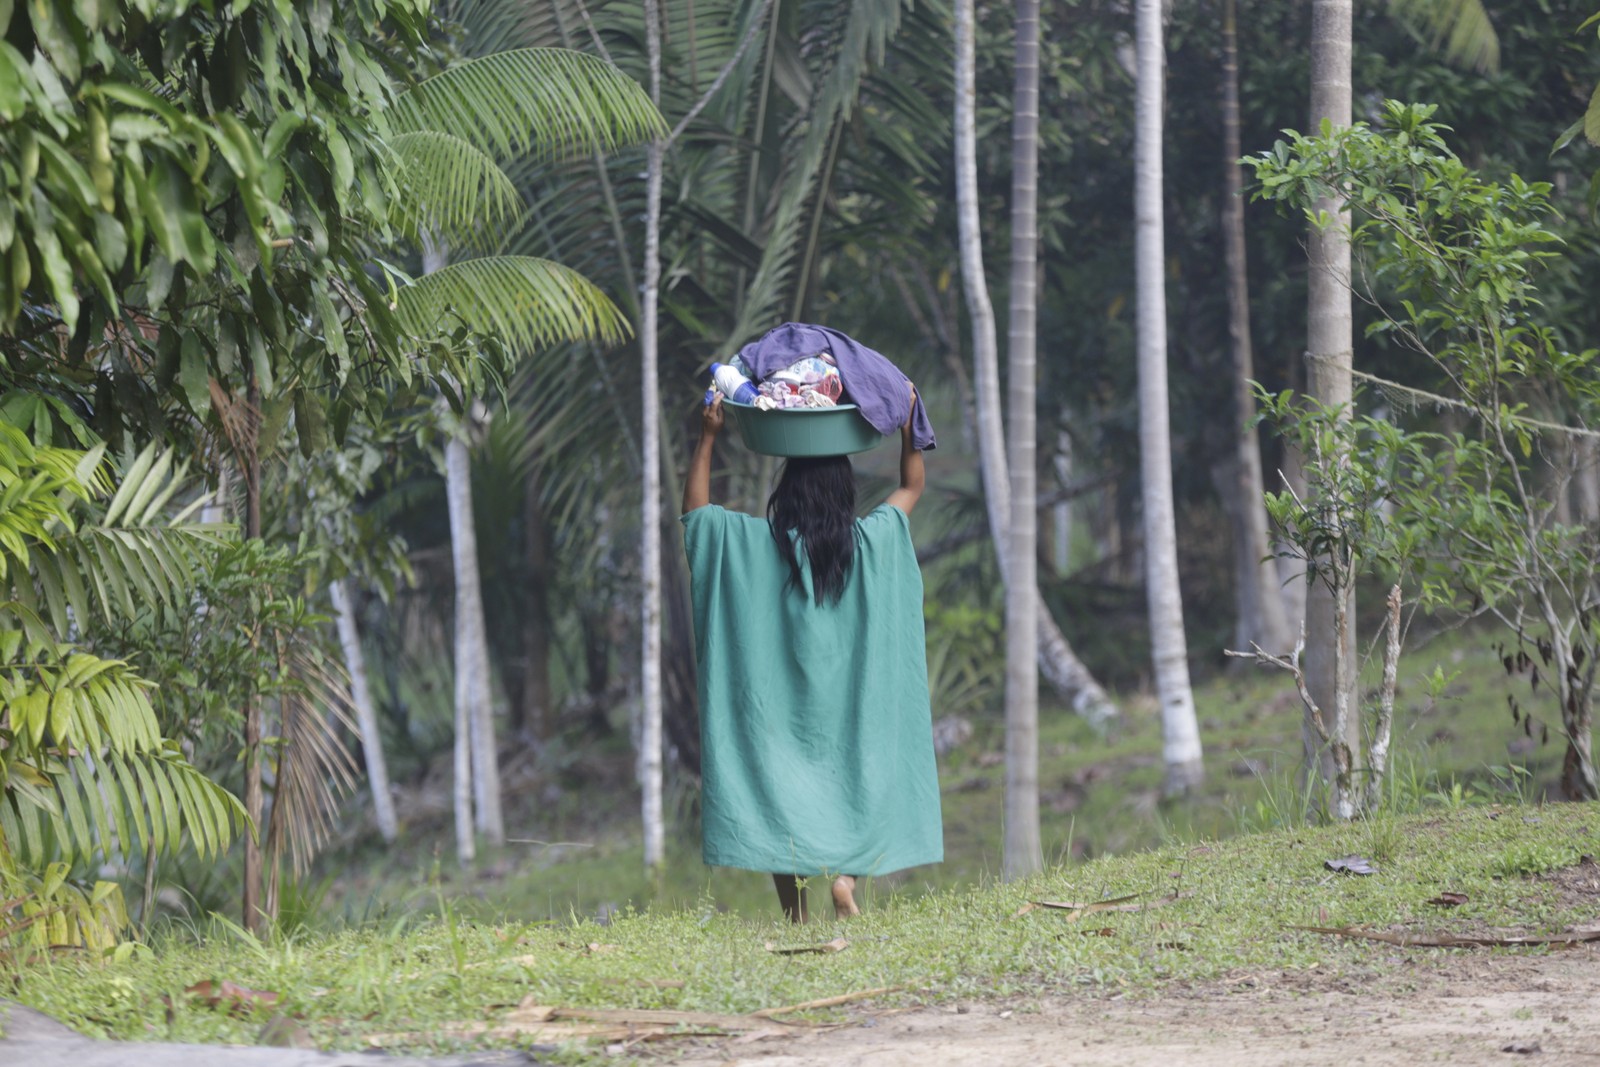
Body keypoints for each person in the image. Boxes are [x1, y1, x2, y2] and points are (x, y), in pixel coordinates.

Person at [680, 388, 943, 922]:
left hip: (779, 717)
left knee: (782, 798)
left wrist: (707, 438)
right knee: (863, 782)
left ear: (787, 492)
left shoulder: (753, 545)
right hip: (852, 712)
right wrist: (907, 423)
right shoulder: (872, 541)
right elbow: (912, 485)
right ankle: (846, 880)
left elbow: (698, 515)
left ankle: (797, 918)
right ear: (844, 492)